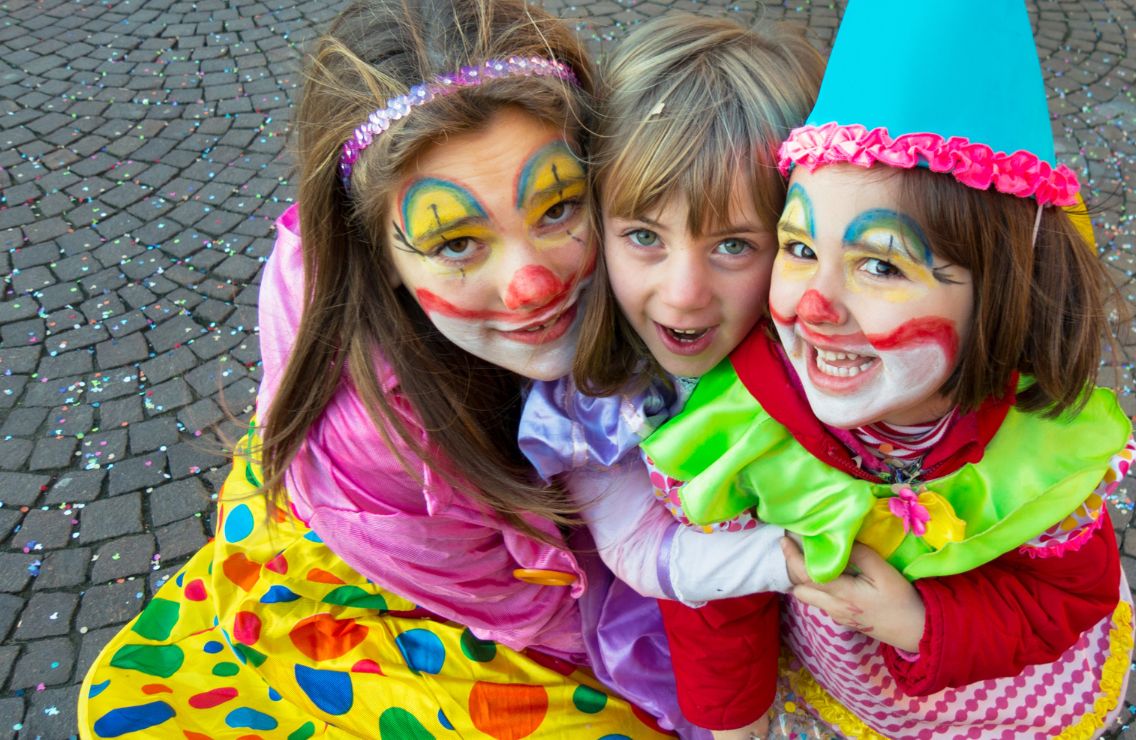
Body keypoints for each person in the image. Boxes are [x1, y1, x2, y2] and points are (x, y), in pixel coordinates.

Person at [78, 0, 683, 736]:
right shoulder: (376, 434)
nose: (533, 284)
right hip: (416, 580)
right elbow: (530, 612)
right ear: (379, 256)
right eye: (456, 244)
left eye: (557, 207)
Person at [638, 1, 1136, 736]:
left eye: (879, 264)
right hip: (840, 695)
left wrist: (922, 622)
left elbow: (1064, 599)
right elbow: (720, 604)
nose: (813, 306)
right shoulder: (740, 427)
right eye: (800, 249)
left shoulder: (1041, 451)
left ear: (1002, 291)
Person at [518, 14, 824, 739]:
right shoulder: (596, 398)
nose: (684, 294)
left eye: (734, 245)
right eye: (644, 236)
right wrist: (796, 563)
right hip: (710, 627)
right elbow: (638, 549)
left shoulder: (832, 345)